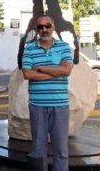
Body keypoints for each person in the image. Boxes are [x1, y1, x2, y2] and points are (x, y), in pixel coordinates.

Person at [21, 15, 74, 171]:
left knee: (61, 151)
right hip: (37, 106)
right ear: (37, 30)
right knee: (38, 151)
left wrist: (41, 68)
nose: (44, 30)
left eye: (47, 26)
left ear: (53, 27)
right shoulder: (29, 48)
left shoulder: (64, 46)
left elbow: (67, 70)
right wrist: (56, 71)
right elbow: (27, 74)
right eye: (40, 27)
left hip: (60, 106)